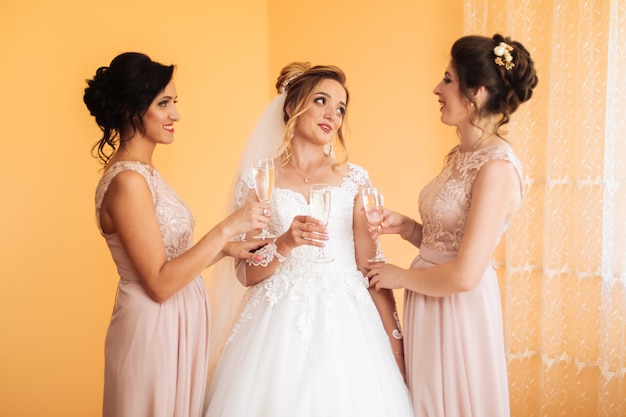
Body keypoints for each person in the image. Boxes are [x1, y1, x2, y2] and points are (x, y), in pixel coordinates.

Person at [204, 62, 414, 417]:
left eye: (341, 108)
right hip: (275, 327)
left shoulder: (353, 180)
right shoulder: (260, 180)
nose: (332, 114)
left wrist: (396, 345)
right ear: (291, 107)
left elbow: (371, 269)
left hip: (348, 324)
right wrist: (284, 243)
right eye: (321, 101)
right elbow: (245, 274)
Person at [83, 52, 270, 417]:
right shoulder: (128, 181)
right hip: (153, 328)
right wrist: (227, 227)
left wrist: (228, 249)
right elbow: (160, 283)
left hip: (177, 322)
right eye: (164, 103)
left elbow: (170, 259)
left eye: (174, 103)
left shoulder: (143, 173)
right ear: (130, 109)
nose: (175, 115)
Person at [365, 34, 538, 416]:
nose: (437, 89)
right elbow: (450, 241)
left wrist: (398, 277)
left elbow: (464, 274)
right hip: (429, 302)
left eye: (447, 79)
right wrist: (408, 228)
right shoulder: (462, 154)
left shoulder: (495, 167)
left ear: (475, 91)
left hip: (458, 310)